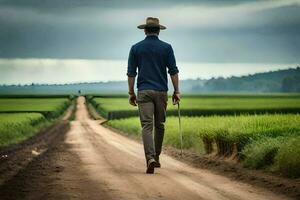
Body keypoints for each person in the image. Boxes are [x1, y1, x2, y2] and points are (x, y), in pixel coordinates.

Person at [127, 17, 180, 174]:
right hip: (161, 92)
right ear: (158, 31)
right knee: (160, 125)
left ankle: (149, 158)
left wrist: (131, 93)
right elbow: (173, 71)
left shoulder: (135, 48)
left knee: (147, 126)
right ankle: (156, 157)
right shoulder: (167, 48)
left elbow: (131, 73)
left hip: (143, 91)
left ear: (145, 30)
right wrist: (176, 91)